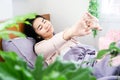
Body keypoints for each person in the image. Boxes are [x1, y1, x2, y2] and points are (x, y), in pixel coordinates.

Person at [24, 12, 101, 65]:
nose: (46, 25)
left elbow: (75, 33)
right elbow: (57, 41)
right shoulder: (39, 48)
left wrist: (87, 24)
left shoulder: (63, 35)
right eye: (40, 27)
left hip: (91, 57)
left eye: (44, 21)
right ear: (37, 35)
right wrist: (72, 31)